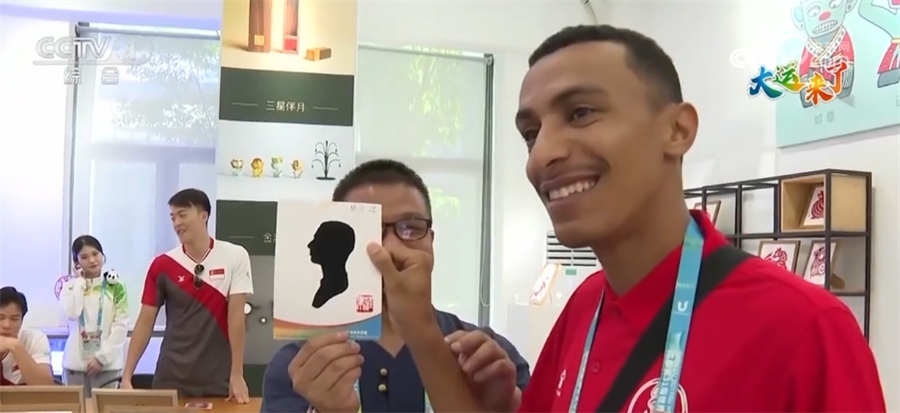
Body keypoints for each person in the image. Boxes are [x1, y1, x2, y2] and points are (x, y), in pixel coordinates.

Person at [499, 25, 880, 411]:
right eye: (531, 134)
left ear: (677, 130)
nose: (541, 155)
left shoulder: (804, 327)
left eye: (580, 113)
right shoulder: (585, 306)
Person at [260, 159, 531, 413]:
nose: (389, 249)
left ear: (431, 241)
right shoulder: (300, 366)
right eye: (371, 229)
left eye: (411, 228)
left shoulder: (489, 360)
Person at [121, 188, 253, 403]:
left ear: (204, 216)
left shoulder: (235, 255)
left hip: (217, 376)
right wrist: (127, 376)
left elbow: (236, 318)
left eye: (182, 215)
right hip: (171, 376)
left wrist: (237, 373)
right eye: (173, 218)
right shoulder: (163, 265)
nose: (177, 223)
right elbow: (145, 321)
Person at [61, 235, 129, 395]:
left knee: (105, 407)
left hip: (107, 367)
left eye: (95, 254)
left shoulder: (116, 286)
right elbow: (72, 313)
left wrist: (102, 358)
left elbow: (121, 325)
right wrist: (80, 282)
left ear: (102, 254)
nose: (92, 260)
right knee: (76, 407)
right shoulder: (69, 287)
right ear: (76, 262)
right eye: (84, 257)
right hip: (75, 367)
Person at [0, 287, 54, 385]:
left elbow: (46, 387)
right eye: (0, 318)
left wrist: (15, 346)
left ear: (22, 320)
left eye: (14, 319)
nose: (6, 325)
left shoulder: (35, 339)